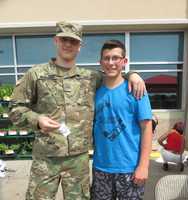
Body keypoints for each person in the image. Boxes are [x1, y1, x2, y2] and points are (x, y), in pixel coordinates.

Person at [8, 22, 146, 200]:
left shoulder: (90, 78)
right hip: (46, 158)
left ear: (79, 46)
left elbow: (114, 74)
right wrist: (37, 119)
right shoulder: (36, 75)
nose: (68, 44)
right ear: (56, 41)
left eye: (73, 41)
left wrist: (132, 74)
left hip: (78, 160)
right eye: (64, 39)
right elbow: (15, 109)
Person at [91, 40, 152, 200]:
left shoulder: (137, 90)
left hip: (129, 168)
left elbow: (146, 128)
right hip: (101, 167)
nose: (111, 63)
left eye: (116, 58)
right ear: (101, 62)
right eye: (107, 58)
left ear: (124, 62)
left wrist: (143, 166)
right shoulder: (93, 91)